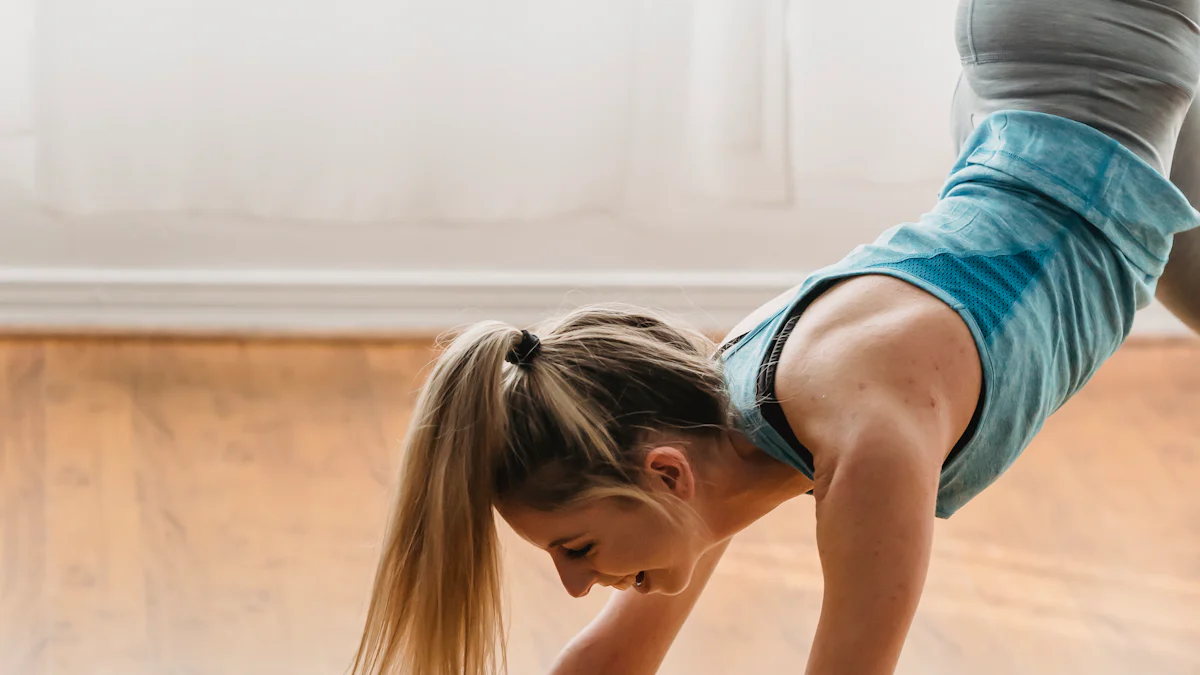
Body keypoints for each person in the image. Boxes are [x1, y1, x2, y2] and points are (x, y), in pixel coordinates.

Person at [350, 1, 1200, 674]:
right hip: (1062, 107)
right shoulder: (724, 412)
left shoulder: (868, 443)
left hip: (1096, 56)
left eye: (575, 548)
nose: (576, 585)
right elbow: (606, 662)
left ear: (665, 474)